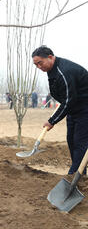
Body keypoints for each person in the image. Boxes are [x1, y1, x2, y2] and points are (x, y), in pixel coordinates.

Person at [32, 45, 88, 175]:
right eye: (36, 65)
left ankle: (74, 176)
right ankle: (80, 174)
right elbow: (65, 99)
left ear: (50, 57)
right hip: (74, 110)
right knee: (72, 141)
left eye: (40, 63)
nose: (39, 67)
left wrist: (52, 120)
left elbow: (69, 100)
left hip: (85, 109)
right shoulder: (53, 70)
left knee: (80, 143)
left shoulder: (65, 71)